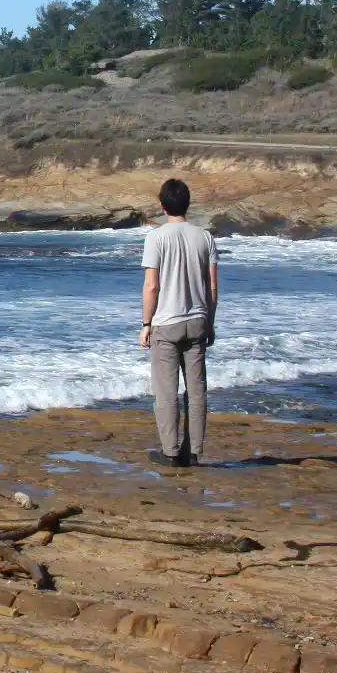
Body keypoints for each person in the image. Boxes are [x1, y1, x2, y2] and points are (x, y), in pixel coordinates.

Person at [137, 178, 218, 467]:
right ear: (188, 203)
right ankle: (194, 451)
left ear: (162, 205)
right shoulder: (204, 237)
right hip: (197, 319)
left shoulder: (156, 238)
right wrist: (210, 322)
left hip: (166, 323)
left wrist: (146, 323)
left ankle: (170, 451)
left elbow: (151, 286)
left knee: (166, 391)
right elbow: (212, 288)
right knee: (196, 392)